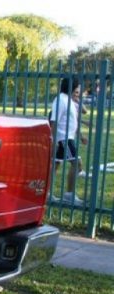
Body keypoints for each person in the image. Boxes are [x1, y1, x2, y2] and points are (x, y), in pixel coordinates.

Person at [49, 77, 87, 206]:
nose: (79, 90)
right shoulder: (60, 100)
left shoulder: (69, 100)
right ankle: (69, 195)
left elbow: (72, 121)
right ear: (73, 87)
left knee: (55, 166)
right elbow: (54, 121)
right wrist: (53, 141)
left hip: (68, 137)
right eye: (78, 87)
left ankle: (47, 194)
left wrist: (81, 136)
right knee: (77, 163)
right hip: (63, 138)